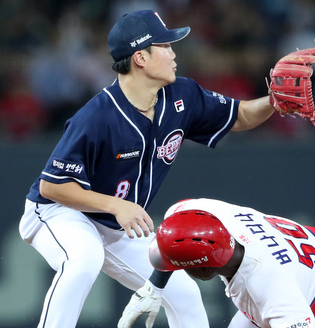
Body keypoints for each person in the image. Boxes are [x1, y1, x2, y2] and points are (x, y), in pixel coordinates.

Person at [19, 9, 278, 328]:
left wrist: (274, 101)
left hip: (114, 222)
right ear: (140, 57)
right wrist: (116, 206)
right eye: (165, 46)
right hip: (60, 212)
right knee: (83, 258)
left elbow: (239, 115)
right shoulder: (97, 117)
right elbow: (52, 187)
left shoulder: (181, 95)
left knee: (183, 291)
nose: (173, 53)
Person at [118, 198, 315, 328]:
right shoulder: (198, 211)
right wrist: (155, 287)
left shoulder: (269, 287)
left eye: (182, 265)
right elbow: (175, 235)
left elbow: (276, 294)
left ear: (206, 270)